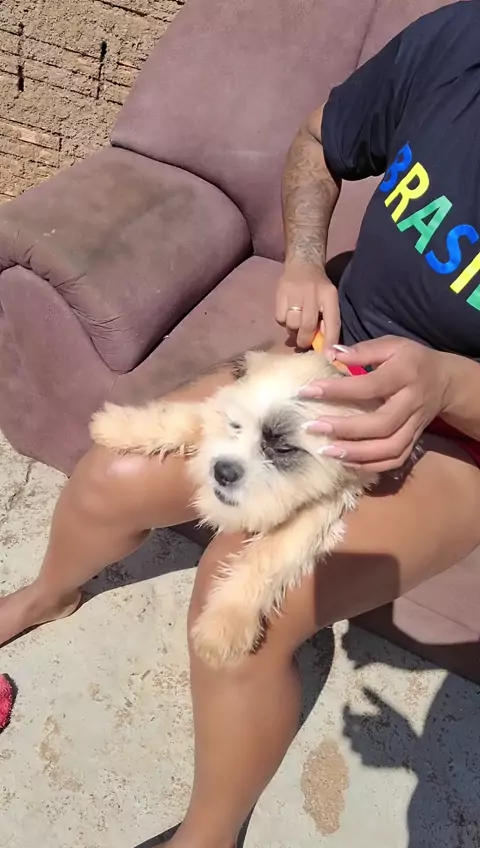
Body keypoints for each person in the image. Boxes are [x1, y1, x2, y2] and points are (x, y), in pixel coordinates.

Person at [2, 4, 480, 846]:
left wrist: (445, 381)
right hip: (332, 361)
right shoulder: (460, 38)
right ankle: (51, 593)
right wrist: (304, 259)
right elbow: (318, 140)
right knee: (111, 473)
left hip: (457, 437)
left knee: (239, 607)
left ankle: (208, 834)